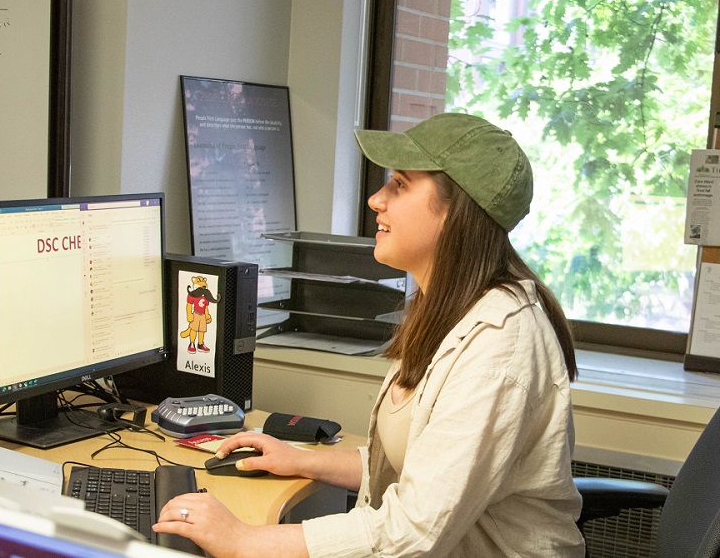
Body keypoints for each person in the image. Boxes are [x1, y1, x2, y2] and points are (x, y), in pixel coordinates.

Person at [154, 113, 585, 557]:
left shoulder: (500, 347)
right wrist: (303, 459)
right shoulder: (451, 310)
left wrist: (243, 539)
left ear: (458, 212)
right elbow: (424, 469)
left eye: (400, 184)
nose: (376, 199)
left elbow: (413, 530)